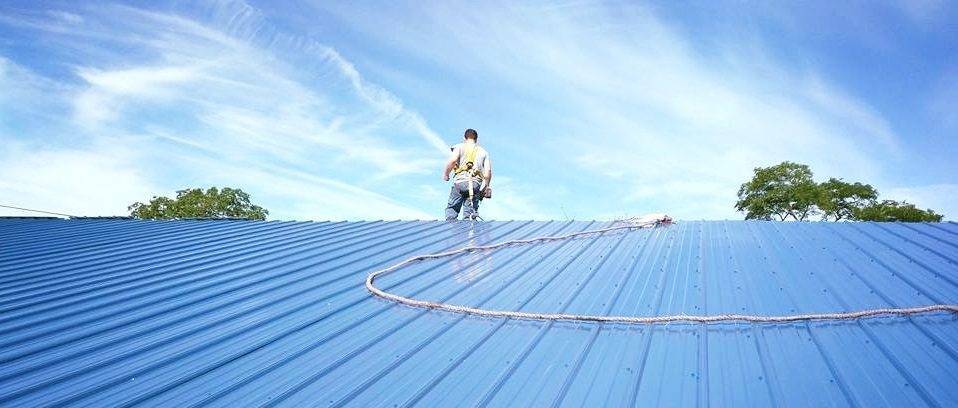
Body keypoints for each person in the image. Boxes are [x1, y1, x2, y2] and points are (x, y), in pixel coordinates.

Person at [443, 128, 491, 220]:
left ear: (464, 138)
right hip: (475, 185)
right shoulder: (484, 152)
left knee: (452, 210)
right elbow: (488, 172)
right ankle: (469, 232)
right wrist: (486, 186)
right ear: (476, 139)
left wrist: (446, 174)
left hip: (459, 183)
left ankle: (450, 229)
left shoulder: (459, 147)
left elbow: (453, 161)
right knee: (469, 216)